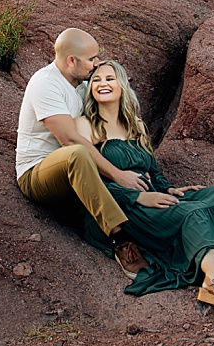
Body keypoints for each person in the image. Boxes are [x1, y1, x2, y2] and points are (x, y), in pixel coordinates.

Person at [76, 58, 214, 314]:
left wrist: (168, 189)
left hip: (152, 196)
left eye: (109, 78)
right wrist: (137, 198)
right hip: (120, 206)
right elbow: (87, 180)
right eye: (96, 80)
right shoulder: (84, 125)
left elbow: (152, 169)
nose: (102, 84)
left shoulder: (135, 125)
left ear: (122, 85)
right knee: (192, 213)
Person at [15, 28, 149, 271]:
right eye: (91, 59)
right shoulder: (46, 83)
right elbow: (69, 140)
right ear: (71, 61)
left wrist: (135, 166)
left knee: (98, 153)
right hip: (37, 173)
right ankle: (121, 240)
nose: (97, 64)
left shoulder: (81, 84)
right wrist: (118, 175)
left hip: (79, 170)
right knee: (77, 153)